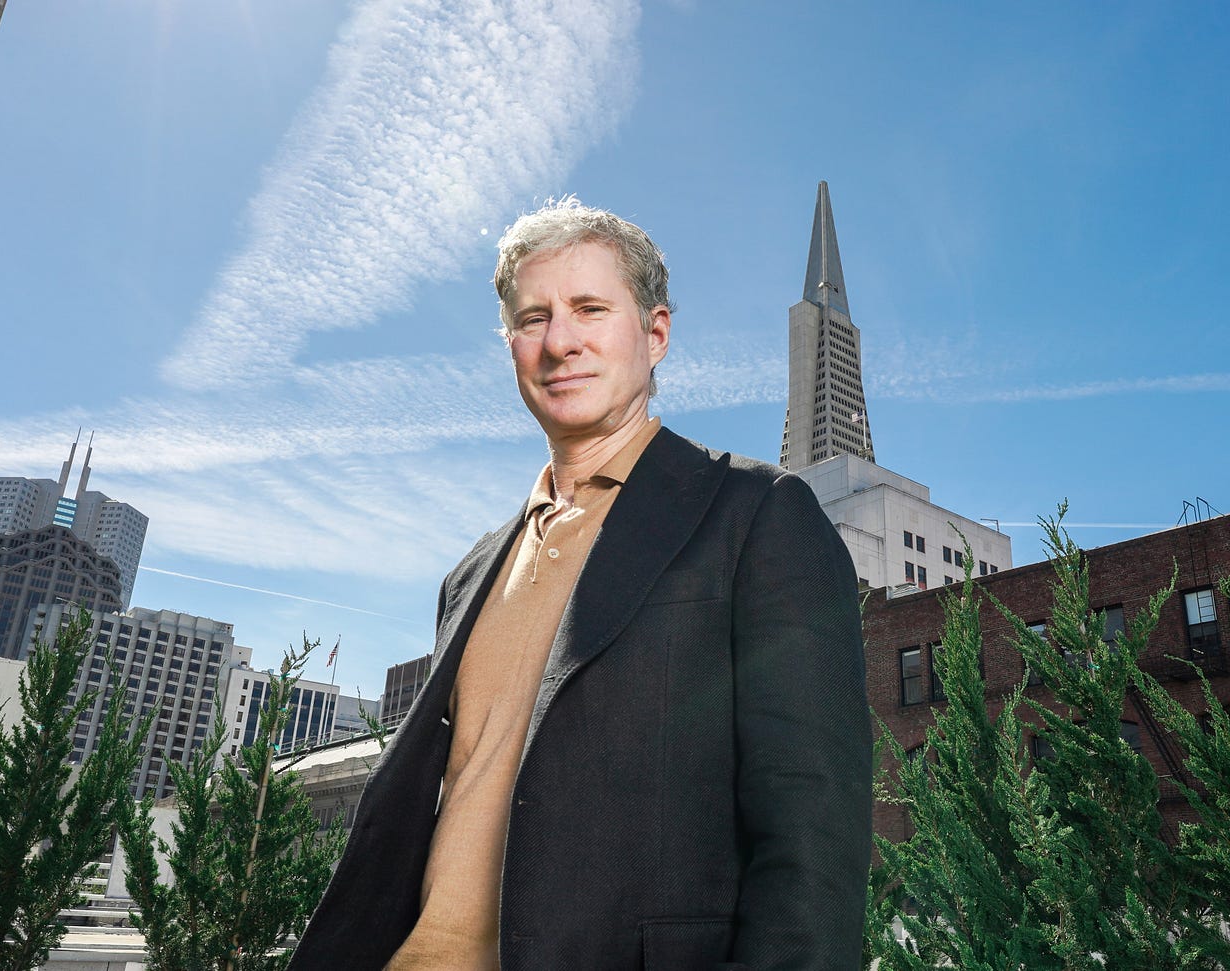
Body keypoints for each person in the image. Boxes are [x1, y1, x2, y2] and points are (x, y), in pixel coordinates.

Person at [290, 199, 871, 970]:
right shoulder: (471, 571)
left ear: (655, 332)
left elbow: (812, 847)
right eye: (533, 318)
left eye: (590, 309)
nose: (559, 341)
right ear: (510, 345)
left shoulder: (757, 516)